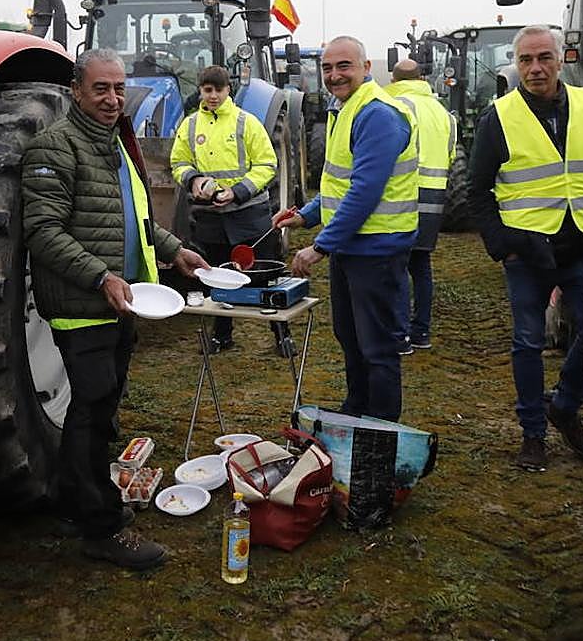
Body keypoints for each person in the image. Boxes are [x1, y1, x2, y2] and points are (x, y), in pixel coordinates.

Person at [22, 47, 208, 570]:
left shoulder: (117, 145)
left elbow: (134, 222)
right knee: (91, 411)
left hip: (125, 303)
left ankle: (69, 499)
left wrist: (175, 252)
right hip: (85, 305)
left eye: (118, 88)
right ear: (77, 91)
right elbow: (42, 232)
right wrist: (99, 275)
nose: (112, 98)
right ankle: (101, 528)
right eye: (101, 89)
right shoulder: (54, 148)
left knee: (101, 410)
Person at [468, 25, 583, 472]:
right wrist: (503, 245)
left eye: (544, 57)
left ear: (560, 59)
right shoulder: (499, 116)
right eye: (526, 60)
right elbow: (478, 192)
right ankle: (533, 434)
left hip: (582, 241)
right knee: (527, 342)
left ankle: (565, 404)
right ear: (516, 63)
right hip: (528, 251)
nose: (535, 68)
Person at [274, 36, 419, 422]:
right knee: (351, 339)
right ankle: (356, 413)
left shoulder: (377, 114)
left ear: (366, 68)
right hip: (352, 249)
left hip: (377, 250)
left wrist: (318, 247)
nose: (334, 75)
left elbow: (366, 190)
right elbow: (341, 187)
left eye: (344, 66)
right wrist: (305, 215)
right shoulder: (345, 109)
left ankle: (381, 430)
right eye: (327, 68)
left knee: (377, 348)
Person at [169, 65, 293, 355]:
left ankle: (281, 334)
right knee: (216, 277)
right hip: (210, 218)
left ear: (229, 91)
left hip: (249, 215)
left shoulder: (246, 123)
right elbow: (178, 163)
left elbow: (266, 165)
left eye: (219, 90)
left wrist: (236, 192)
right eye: (207, 90)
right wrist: (194, 179)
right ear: (200, 91)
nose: (213, 96)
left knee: (265, 275)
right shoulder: (189, 126)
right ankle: (222, 335)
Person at [385, 58, 457, 352]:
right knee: (421, 264)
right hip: (434, 195)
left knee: (398, 266)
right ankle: (421, 333)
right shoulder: (443, 113)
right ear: (421, 78)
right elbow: (451, 154)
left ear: (394, 79)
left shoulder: (395, 107)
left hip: (401, 194)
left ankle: (400, 336)